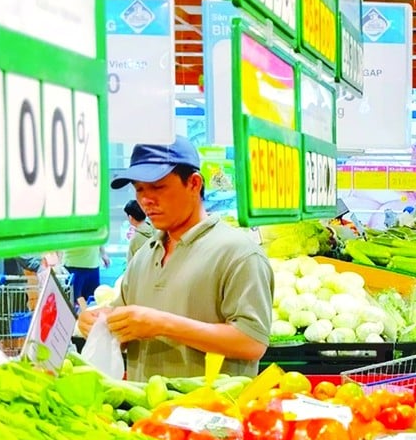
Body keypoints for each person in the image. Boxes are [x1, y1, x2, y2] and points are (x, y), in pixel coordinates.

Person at [77, 137, 273, 383]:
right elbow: (126, 326)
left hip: (210, 415)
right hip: (147, 415)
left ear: (193, 183)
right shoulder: (144, 255)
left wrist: (162, 324)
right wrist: (101, 322)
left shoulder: (238, 253)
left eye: (158, 187)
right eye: (139, 189)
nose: (146, 200)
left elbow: (252, 342)